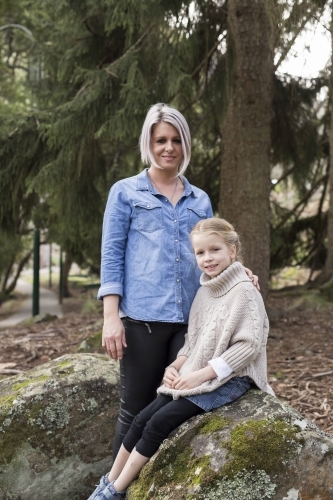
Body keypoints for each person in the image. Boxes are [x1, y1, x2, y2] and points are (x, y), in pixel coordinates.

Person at [97, 103, 259, 460]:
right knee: (135, 411)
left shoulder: (199, 198)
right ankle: (113, 487)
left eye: (175, 140)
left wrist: (238, 270)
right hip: (142, 322)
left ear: (185, 145)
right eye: (160, 140)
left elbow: (211, 249)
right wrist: (111, 317)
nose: (168, 147)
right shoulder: (125, 193)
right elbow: (111, 256)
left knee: (174, 405)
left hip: (191, 324)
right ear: (149, 144)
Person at [89, 217, 274, 500]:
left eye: (215, 250)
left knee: (158, 424)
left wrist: (200, 376)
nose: (207, 258)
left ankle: (115, 492)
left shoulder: (246, 293)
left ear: (233, 251)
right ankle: (107, 482)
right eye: (200, 253)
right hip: (196, 373)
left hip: (232, 379)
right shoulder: (204, 292)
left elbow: (248, 347)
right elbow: (194, 340)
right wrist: (175, 367)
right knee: (140, 419)